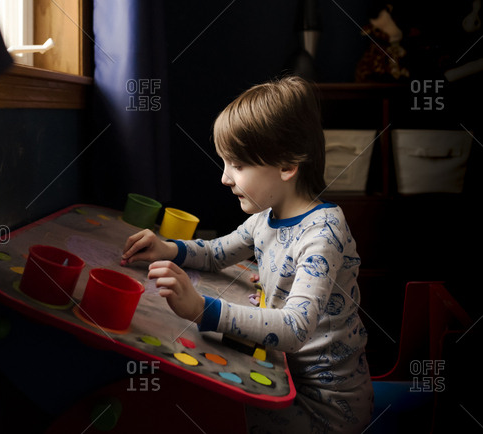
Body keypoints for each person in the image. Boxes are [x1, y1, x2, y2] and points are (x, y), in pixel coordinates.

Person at [121, 76, 373, 433]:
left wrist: (201, 308)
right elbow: (213, 253)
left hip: (326, 409)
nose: (225, 178)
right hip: (285, 377)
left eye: (237, 166)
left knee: (208, 410)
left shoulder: (323, 233)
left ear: (287, 165)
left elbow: (295, 327)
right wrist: (167, 249)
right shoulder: (264, 220)